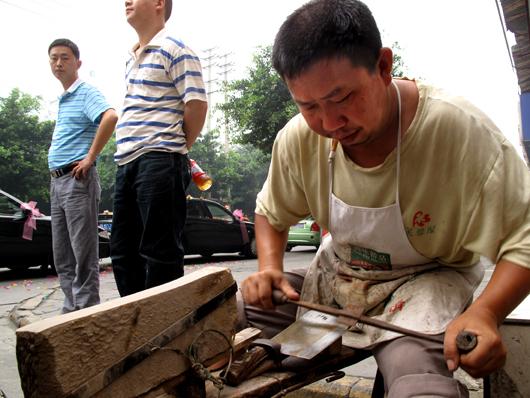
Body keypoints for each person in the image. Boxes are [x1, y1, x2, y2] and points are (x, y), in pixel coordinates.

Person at [238, 0, 530, 396]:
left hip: (424, 287)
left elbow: (524, 240)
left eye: (341, 98)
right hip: (338, 282)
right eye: (308, 105)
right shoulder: (299, 137)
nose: (329, 123)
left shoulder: (460, 132)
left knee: (417, 383)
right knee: (224, 314)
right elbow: (271, 212)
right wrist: (269, 267)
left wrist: (486, 312)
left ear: (382, 66)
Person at [111, 0, 208, 296]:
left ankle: (164, 333)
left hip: (159, 159)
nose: (126, 1)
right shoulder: (131, 58)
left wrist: (174, 149)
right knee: (122, 252)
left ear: (158, 3)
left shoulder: (175, 48)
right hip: (125, 163)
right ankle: (135, 324)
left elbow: (197, 104)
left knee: (159, 252)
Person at [48, 39, 118, 314]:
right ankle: (70, 311)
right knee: (62, 255)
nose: (58, 63)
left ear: (78, 64)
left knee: (82, 253)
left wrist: (90, 158)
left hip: (77, 180)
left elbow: (110, 117)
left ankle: (86, 311)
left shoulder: (85, 92)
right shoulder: (65, 99)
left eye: (65, 58)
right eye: (53, 58)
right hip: (57, 182)